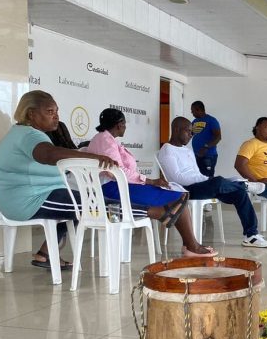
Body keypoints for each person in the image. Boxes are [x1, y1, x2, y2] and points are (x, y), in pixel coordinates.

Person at [0, 91, 116, 269]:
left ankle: (45, 254)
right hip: (31, 201)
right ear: (31, 114)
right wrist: (93, 157)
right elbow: (48, 154)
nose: (56, 116)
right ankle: (151, 212)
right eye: (50, 112)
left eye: (57, 111)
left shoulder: (18, 133)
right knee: (102, 205)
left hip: (21, 199)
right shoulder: (29, 135)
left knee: (85, 202)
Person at [85, 108, 216, 257]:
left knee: (177, 195)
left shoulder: (105, 139)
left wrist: (147, 181)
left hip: (119, 186)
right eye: (125, 124)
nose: (125, 127)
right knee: (178, 196)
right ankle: (189, 244)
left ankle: (187, 240)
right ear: (119, 124)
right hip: (113, 189)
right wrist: (150, 181)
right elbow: (116, 172)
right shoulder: (105, 140)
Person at [158, 117, 267, 248]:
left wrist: (206, 180)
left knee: (239, 193)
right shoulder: (167, 150)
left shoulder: (187, 151)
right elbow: (177, 178)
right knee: (218, 182)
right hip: (184, 190)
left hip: (200, 185)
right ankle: (244, 185)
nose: (191, 135)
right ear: (177, 130)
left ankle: (251, 236)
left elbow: (197, 174)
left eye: (192, 132)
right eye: (188, 131)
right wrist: (207, 180)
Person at [190, 101, 221, 177]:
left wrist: (206, 147)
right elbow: (191, 134)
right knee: (199, 178)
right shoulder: (194, 121)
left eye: (193, 111)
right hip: (197, 155)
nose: (192, 113)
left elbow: (218, 137)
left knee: (208, 178)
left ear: (198, 109)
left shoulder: (211, 120)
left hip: (208, 156)